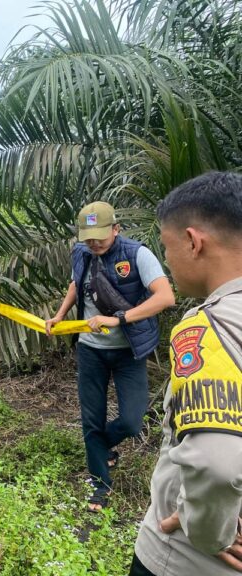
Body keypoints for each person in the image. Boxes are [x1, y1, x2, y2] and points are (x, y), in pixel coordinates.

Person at [130, 171, 242, 576]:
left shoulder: (210, 328)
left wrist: (211, 532)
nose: (167, 261)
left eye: (167, 246)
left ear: (194, 242)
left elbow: (216, 464)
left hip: (186, 561)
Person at [45, 201, 174, 512]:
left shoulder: (136, 254)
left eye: (100, 237)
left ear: (116, 229)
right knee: (92, 419)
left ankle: (102, 447)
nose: (94, 243)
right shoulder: (82, 253)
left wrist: (119, 319)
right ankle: (99, 485)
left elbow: (166, 296)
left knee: (131, 421)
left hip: (129, 351)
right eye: (88, 238)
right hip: (91, 351)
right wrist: (60, 314)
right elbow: (77, 283)